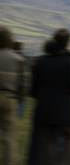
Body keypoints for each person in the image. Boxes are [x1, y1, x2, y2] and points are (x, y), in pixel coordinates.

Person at [31, 29, 70, 165]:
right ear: (67, 42)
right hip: (66, 112)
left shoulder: (41, 62)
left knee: (45, 144)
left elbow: (34, 88)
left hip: (45, 111)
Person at [0, 26, 29, 165]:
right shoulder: (18, 59)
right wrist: (19, 99)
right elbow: (24, 84)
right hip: (9, 98)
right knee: (10, 139)